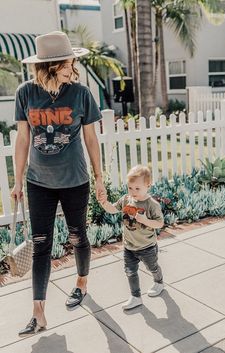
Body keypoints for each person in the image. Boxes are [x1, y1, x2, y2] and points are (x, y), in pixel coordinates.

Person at [11, 31, 106, 336]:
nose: (72, 67)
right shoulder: (25, 93)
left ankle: (81, 282)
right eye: (68, 63)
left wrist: (99, 177)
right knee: (41, 246)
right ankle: (38, 313)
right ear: (50, 66)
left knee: (77, 236)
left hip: (75, 180)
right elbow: (23, 138)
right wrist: (17, 180)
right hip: (38, 183)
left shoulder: (80, 94)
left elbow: (91, 139)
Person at [99, 165, 164, 310]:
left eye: (137, 188)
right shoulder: (125, 200)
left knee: (152, 267)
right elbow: (113, 209)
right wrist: (104, 203)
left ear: (148, 185)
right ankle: (136, 296)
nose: (133, 192)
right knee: (130, 271)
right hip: (129, 246)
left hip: (147, 247)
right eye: (130, 188)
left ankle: (159, 282)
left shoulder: (151, 205)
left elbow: (159, 223)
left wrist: (145, 220)